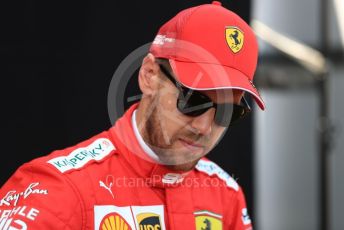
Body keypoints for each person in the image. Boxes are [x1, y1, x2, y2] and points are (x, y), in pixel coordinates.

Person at [0, 1, 265, 229]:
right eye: (194, 100)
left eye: (229, 112)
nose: (205, 127)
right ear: (149, 75)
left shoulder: (226, 196)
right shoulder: (58, 190)